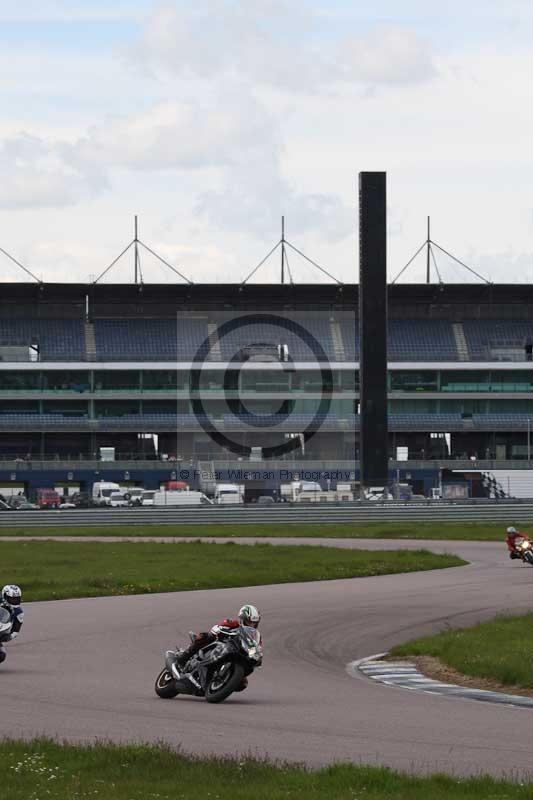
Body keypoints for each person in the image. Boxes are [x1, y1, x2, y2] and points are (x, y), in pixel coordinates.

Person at [175, 604, 261, 667]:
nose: (252, 625)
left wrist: (256, 656)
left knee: (243, 683)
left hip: (236, 654)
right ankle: (183, 657)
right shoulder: (233, 623)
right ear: (242, 619)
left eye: (254, 623)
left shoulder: (254, 635)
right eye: (249, 622)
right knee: (205, 636)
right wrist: (218, 629)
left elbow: (256, 647)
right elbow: (219, 626)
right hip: (220, 645)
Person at [0, 585, 23, 664]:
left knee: (1, 655)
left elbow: (16, 631)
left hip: (1, 630)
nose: (14, 601)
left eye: (16, 599)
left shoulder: (18, 612)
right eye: (12, 599)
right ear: (5, 596)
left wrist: (8, 637)